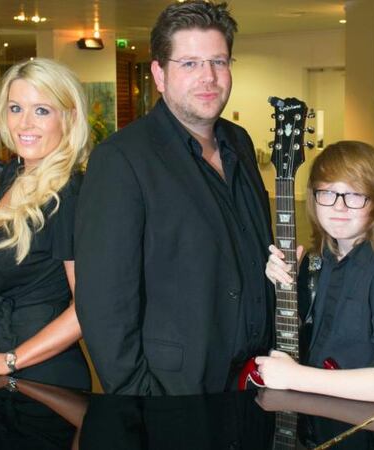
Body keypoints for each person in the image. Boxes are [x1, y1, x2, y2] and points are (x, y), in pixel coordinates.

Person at [75, 0, 274, 395]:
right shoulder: (121, 160)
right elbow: (104, 304)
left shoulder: (240, 143)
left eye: (219, 62)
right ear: (159, 74)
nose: (209, 78)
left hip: (257, 379)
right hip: (174, 391)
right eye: (189, 64)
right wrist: (141, 398)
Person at [0, 58, 92, 391]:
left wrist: (8, 360)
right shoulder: (13, 176)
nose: (25, 123)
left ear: (69, 117)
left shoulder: (69, 194)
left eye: (42, 110)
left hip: (43, 376)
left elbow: (87, 308)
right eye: (16, 108)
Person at [256, 141, 374, 403]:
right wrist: (281, 290)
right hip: (312, 418)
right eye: (328, 192)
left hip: (359, 427)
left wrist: (295, 376)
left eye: (354, 194)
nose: (338, 207)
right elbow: (295, 337)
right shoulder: (314, 260)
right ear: (314, 197)